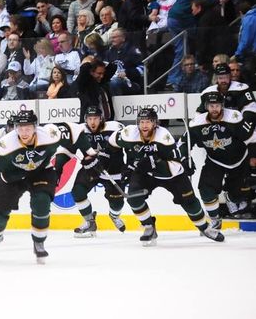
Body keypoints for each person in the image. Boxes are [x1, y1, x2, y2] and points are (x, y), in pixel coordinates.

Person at [0, 110, 97, 263]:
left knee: (41, 202)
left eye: (27, 128)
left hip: (41, 173)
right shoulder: (6, 144)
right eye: (20, 128)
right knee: (1, 209)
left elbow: (75, 131)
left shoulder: (50, 134)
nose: (24, 132)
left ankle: (39, 242)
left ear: (35, 127)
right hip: (12, 177)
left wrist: (90, 153)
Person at [107, 108, 225, 245]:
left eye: (148, 122)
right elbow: (112, 142)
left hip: (171, 174)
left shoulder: (164, 138)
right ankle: (149, 226)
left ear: (155, 123)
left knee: (190, 202)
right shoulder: (128, 134)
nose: (145, 125)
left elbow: (175, 166)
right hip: (145, 173)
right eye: (142, 122)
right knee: (133, 198)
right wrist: (116, 161)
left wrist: (152, 162)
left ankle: (205, 228)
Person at [182, 92, 253, 229]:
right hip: (215, 160)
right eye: (211, 105)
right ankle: (215, 218)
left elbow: (250, 136)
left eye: (217, 105)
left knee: (239, 195)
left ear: (222, 106)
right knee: (205, 189)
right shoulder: (197, 123)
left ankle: (231, 197)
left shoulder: (234, 118)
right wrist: (185, 158)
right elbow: (185, 142)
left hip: (239, 160)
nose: (214, 109)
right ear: (206, 106)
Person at [55, 106, 126, 237]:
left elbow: (129, 143)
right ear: (85, 119)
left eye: (96, 119)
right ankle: (89, 222)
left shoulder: (114, 127)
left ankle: (114, 216)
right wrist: (58, 167)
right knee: (77, 191)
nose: (92, 122)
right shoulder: (79, 131)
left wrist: (131, 166)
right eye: (90, 119)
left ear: (102, 119)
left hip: (113, 170)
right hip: (91, 169)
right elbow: (67, 151)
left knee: (117, 203)